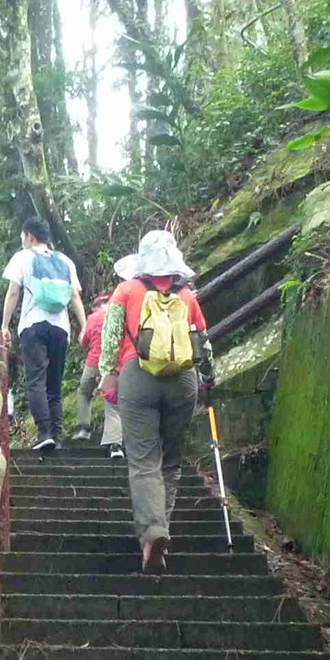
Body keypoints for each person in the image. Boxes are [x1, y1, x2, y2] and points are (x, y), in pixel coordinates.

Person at [97, 230, 210, 572]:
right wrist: (209, 377)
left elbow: (110, 339)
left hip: (138, 376)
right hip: (182, 380)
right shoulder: (187, 295)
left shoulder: (126, 290)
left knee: (144, 460)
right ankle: (162, 529)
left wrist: (108, 373)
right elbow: (202, 342)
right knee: (171, 462)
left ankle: (152, 533)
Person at [0, 217, 86, 452]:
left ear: (29, 236)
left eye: (23, 236)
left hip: (33, 325)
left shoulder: (23, 257)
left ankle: (44, 433)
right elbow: (75, 297)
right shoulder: (65, 261)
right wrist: (85, 326)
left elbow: (13, 292)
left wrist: (4, 326)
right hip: (61, 328)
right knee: (54, 385)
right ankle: (57, 436)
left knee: (36, 380)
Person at [71, 290, 122, 453]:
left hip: (94, 362)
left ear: (96, 306)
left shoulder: (92, 318)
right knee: (112, 401)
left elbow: (83, 341)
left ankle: (83, 428)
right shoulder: (119, 315)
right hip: (114, 364)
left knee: (84, 391)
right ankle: (115, 442)